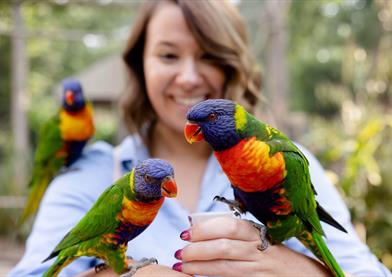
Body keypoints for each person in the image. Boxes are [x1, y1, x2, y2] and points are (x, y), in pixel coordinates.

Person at [10, 0, 391, 276]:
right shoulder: (89, 175)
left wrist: (291, 269)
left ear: (231, 65)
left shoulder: (285, 160)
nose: (189, 78)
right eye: (169, 56)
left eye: (208, 56)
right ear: (139, 65)